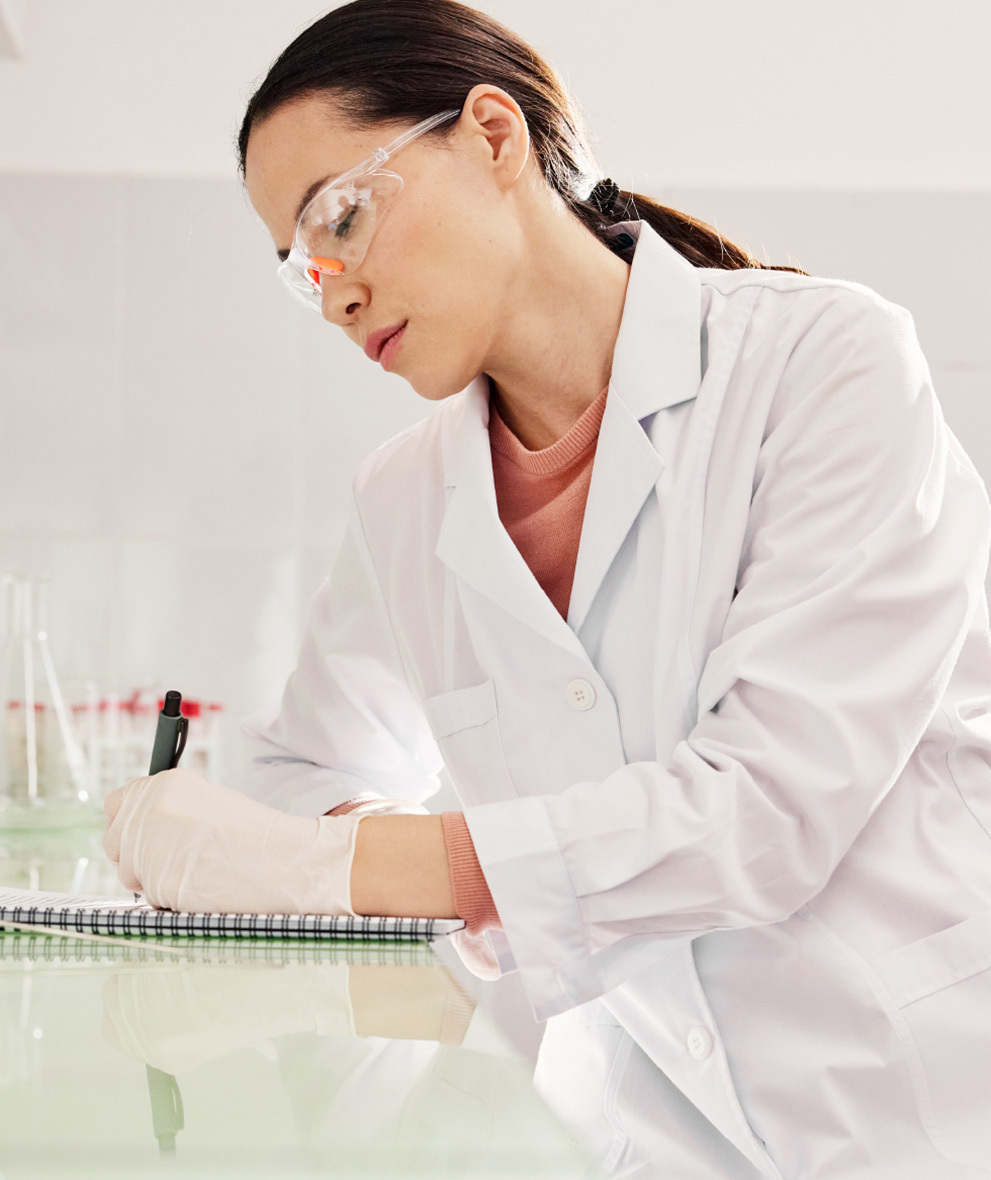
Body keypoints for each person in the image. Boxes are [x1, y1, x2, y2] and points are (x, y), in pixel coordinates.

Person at [103, 1, 991, 1176]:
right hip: (634, 1131)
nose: (332, 291)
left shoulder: (825, 364)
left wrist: (343, 869)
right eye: (300, 268)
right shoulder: (407, 496)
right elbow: (305, 772)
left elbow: (766, 811)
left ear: (491, 135)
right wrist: (350, 855)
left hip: (911, 1105)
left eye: (343, 219)